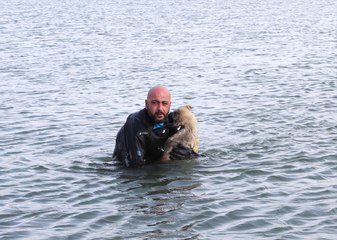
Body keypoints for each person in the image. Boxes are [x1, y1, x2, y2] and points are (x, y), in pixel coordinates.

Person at [112, 85, 198, 167]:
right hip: (124, 169)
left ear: (169, 105)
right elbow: (136, 168)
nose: (160, 108)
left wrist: (189, 154)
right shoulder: (136, 127)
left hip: (153, 163)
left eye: (164, 103)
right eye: (154, 103)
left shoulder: (169, 123)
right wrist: (164, 163)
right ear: (146, 104)